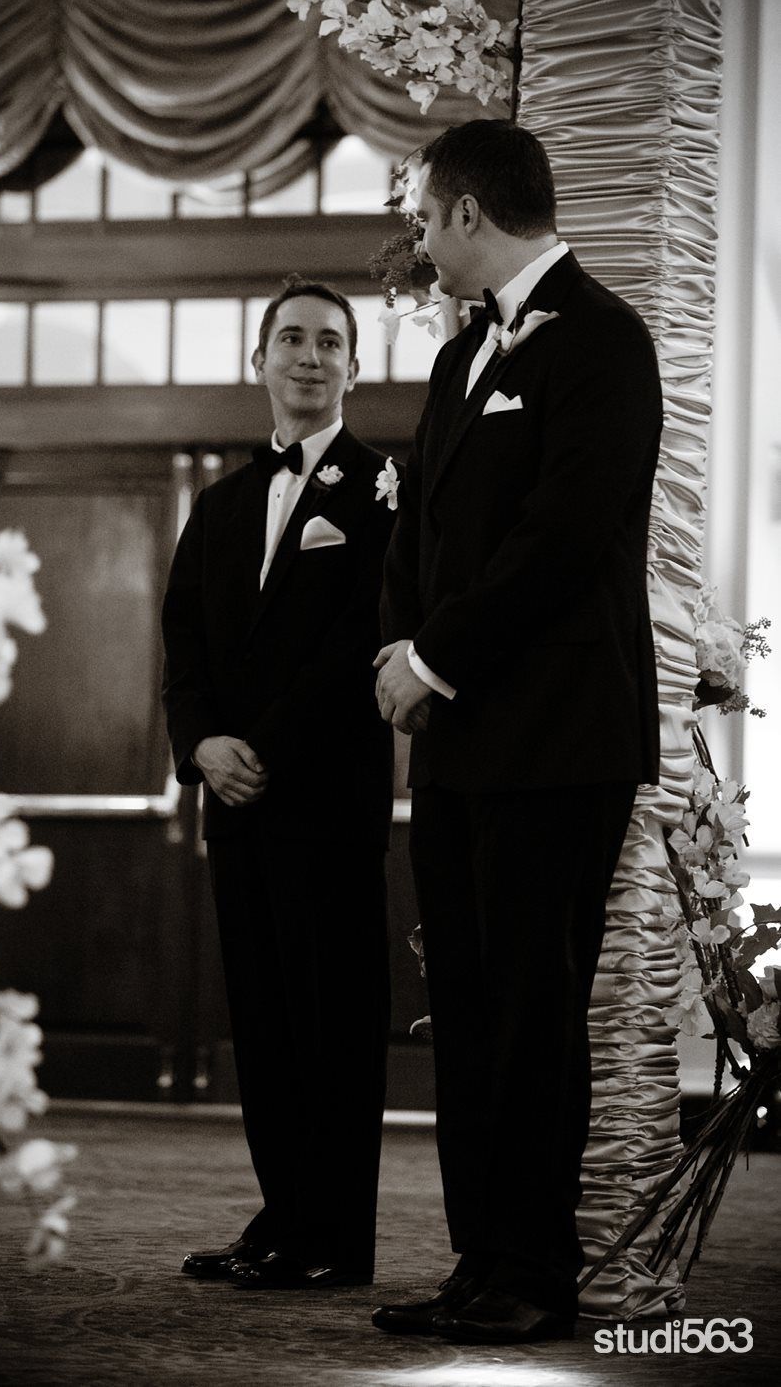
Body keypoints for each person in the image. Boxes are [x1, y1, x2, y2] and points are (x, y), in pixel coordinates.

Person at [372, 121, 662, 1345]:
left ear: (468, 212)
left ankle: (536, 1271)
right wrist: (397, 646)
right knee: (469, 1007)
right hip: (459, 739)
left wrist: (435, 659)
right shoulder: (458, 359)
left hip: (558, 739)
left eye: (422, 217)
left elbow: (565, 538)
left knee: (533, 1012)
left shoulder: (604, 341)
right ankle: (478, 1257)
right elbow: (420, 534)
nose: (418, 239)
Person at [161, 280, 396, 1289]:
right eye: (291, 338)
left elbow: (361, 637)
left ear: (354, 368)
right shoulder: (218, 503)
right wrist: (203, 745)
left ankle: (333, 1238)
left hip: (326, 797)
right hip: (234, 802)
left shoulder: (383, 490)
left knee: (331, 1021)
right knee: (260, 1020)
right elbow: (182, 644)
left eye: (329, 342)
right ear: (258, 359)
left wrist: (262, 747)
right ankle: (284, 1213)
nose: (309, 355)